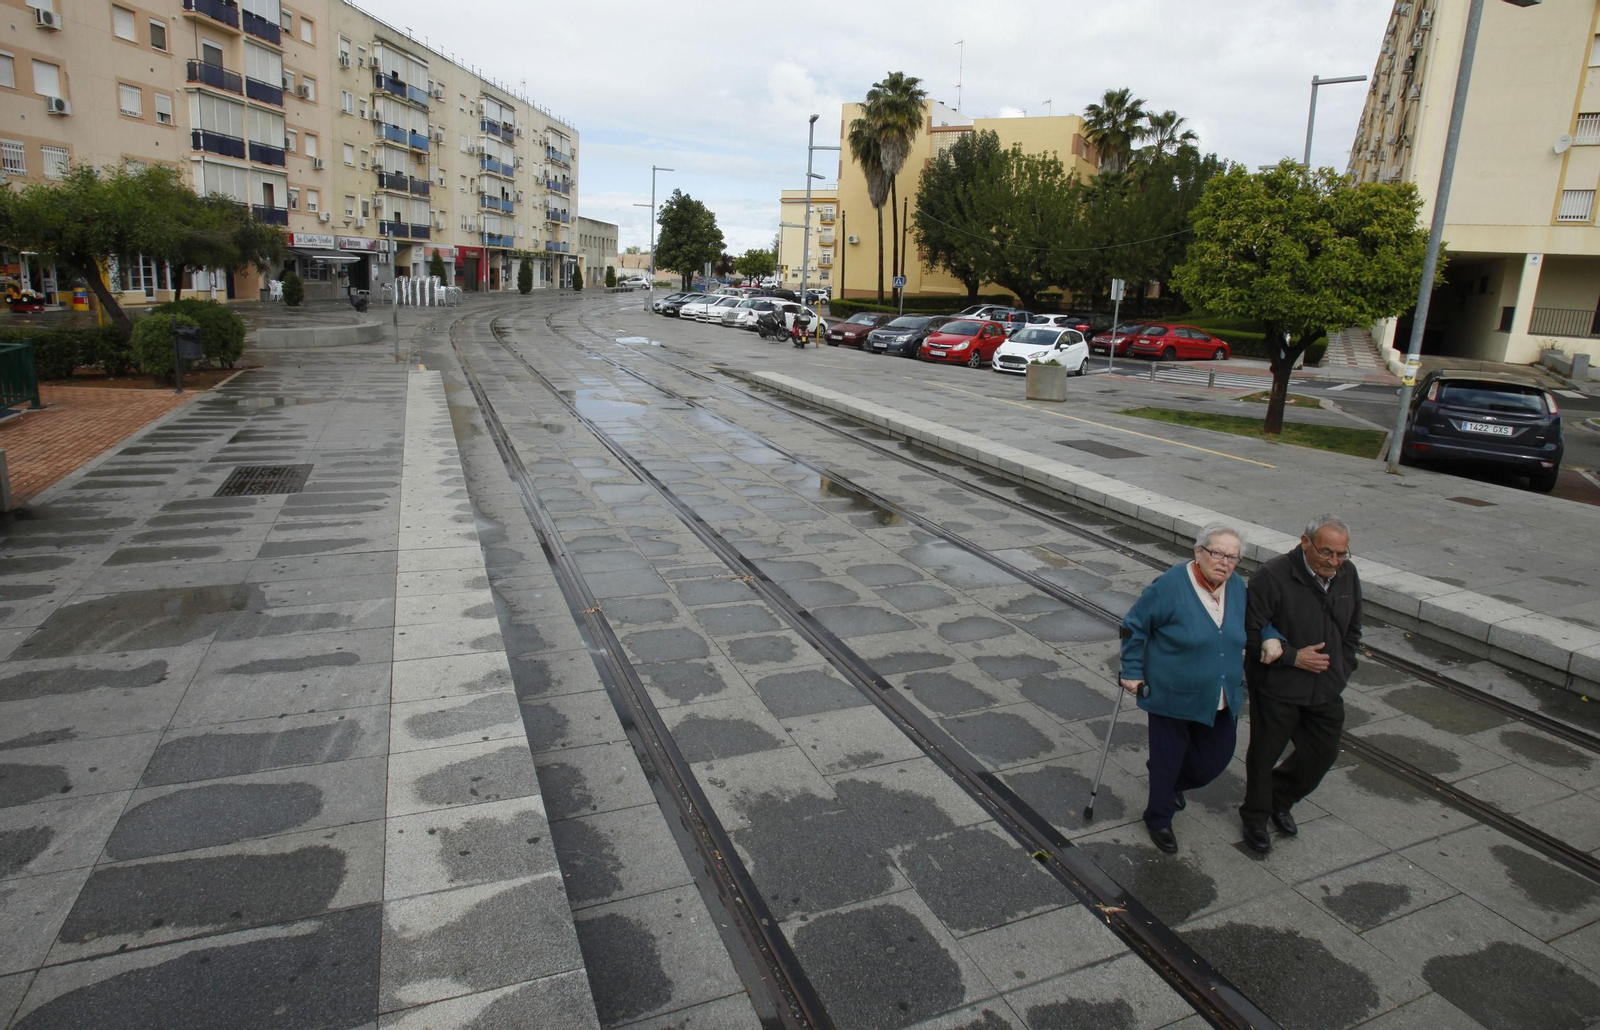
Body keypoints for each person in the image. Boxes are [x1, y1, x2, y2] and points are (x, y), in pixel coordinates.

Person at [1118, 522, 1250, 855]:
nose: (1224, 562)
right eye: (1217, 553)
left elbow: (1256, 622)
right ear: (1198, 551)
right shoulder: (1170, 586)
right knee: (1168, 757)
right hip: (1171, 694)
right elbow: (1134, 626)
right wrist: (1132, 670)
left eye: (1232, 557)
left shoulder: (1238, 587)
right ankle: (1158, 817)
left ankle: (1168, 781)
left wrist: (1273, 637)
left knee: (1214, 760)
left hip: (1220, 695)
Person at [1241, 514, 1363, 853]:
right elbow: (1250, 633)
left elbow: (1353, 628)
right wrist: (1294, 657)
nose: (1334, 562)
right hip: (1278, 687)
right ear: (1305, 542)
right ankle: (1255, 816)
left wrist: (1343, 666)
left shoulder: (1347, 575)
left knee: (1321, 755)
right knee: (1264, 755)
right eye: (1326, 553)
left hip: (1326, 688)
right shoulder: (1273, 575)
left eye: (1341, 554)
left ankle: (1280, 798)